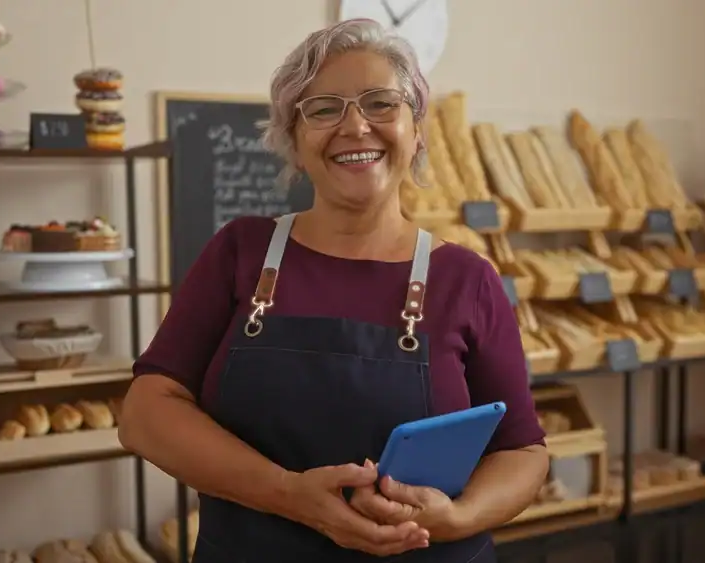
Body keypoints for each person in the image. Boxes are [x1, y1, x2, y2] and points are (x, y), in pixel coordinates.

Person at [120, 18, 549, 563]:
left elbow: (522, 451)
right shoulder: (241, 254)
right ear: (295, 143)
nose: (355, 126)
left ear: (416, 130)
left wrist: (458, 518)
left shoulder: (468, 280)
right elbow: (145, 413)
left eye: (380, 103)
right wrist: (288, 495)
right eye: (323, 109)